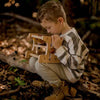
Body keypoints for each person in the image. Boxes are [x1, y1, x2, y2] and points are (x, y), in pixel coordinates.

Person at [29, 0, 89, 100]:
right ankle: (50, 82)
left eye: (49, 27)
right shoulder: (60, 34)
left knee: (40, 64)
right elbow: (61, 53)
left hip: (71, 72)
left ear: (60, 21)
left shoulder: (73, 38)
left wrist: (59, 48)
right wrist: (52, 49)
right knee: (33, 60)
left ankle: (59, 90)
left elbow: (75, 64)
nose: (48, 31)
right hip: (64, 65)